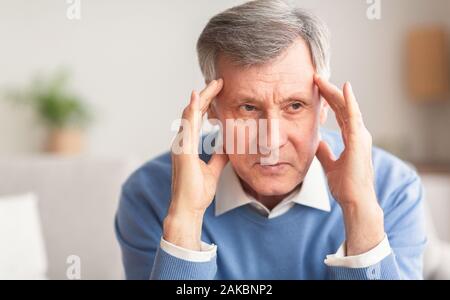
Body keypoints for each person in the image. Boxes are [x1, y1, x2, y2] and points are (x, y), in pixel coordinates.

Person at [115, 0, 426, 280]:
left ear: (325, 106)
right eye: (248, 108)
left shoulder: (393, 189)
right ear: (211, 108)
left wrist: (360, 210)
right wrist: (184, 221)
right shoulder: (149, 195)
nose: (271, 142)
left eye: (294, 106)